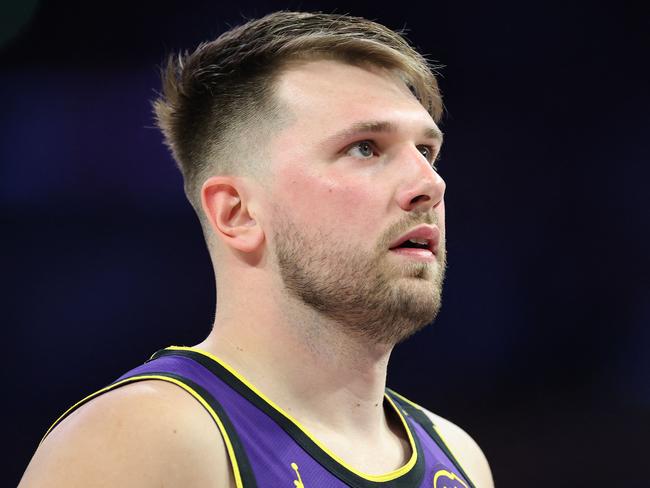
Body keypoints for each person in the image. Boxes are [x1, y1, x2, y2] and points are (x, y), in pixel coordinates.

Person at [20, 11, 494, 488]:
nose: (429, 183)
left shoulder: (459, 460)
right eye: (365, 148)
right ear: (237, 213)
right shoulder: (142, 442)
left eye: (427, 151)